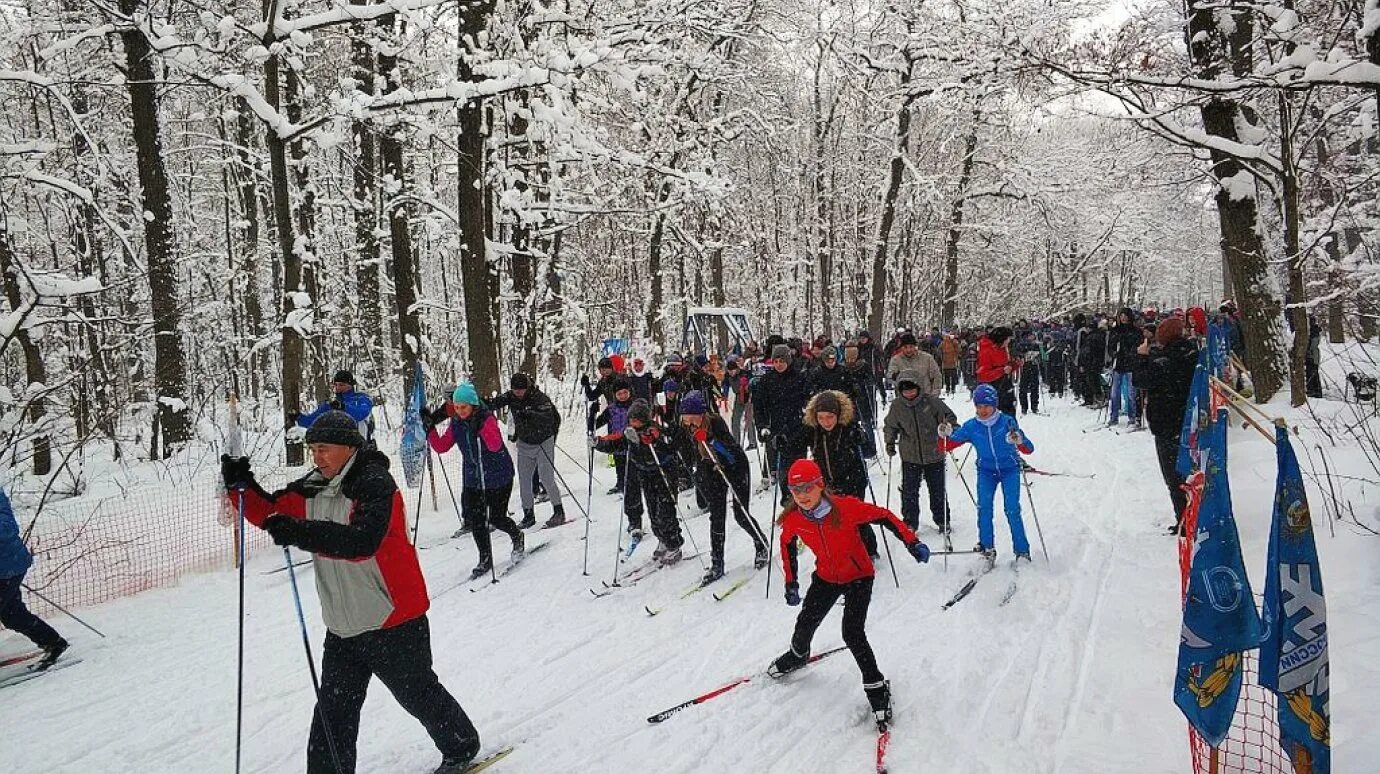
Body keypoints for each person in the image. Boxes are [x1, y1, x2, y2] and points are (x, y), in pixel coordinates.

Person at [223, 411, 481, 774]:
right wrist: (241, 485)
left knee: (417, 693)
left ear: (349, 447)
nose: (317, 456)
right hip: (343, 626)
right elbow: (272, 511)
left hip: (392, 618)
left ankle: (462, 746)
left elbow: (362, 542)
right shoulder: (314, 486)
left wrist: (299, 532)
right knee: (333, 711)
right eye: (313, 449)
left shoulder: (375, 484)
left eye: (324, 449)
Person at [768, 458, 930, 726]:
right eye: (796, 491)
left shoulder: (845, 508)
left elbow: (884, 516)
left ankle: (876, 686)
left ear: (820, 485)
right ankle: (798, 655)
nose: (803, 496)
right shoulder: (794, 519)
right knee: (805, 622)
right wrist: (791, 582)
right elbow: (786, 547)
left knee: (852, 632)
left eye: (808, 488)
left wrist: (912, 542)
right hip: (826, 577)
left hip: (858, 576)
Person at [426, 384, 524, 579]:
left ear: (473, 405)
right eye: (456, 407)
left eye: (464, 407)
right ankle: (485, 558)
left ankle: (517, 536)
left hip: (498, 476)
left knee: (497, 518)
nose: (460, 411)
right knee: (477, 521)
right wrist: (429, 429)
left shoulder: (486, 418)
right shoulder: (456, 422)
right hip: (474, 479)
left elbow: (495, 446)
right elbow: (442, 446)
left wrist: (481, 427)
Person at [678, 390, 770, 582]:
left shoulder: (715, 422)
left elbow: (731, 452)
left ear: (701, 413)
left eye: (691, 418)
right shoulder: (685, 427)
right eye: (685, 418)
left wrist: (711, 440)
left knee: (740, 514)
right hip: (712, 470)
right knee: (717, 516)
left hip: (735, 468)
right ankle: (717, 563)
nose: (689, 423)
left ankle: (761, 544)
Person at [939, 384, 1036, 562]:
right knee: (984, 508)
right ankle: (987, 547)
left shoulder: (1006, 421)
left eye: (987, 406)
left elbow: (1028, 449)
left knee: (1012, 509)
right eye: (979, 406)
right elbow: (947, 446)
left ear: (995, 405)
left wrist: (1019, 440)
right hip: (986, 471)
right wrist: (944, 435)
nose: (983, 410)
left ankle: (1022, 550)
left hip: (1010, 470)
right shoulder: (971, 426)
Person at [596, 399, 685, 565]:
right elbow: (616, 443)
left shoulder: (655, 430)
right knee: (653, 510)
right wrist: (599, 443)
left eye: (636, 419)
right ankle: (662, 539)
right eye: (631, 420)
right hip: (646, 474)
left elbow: (671, 448)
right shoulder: (630, 433)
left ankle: (674, 544)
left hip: (663, 472)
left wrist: (654, 441)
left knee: (665, 509)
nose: (633, 423)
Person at [1133, 318, 1199, 534]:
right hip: (1186, 420)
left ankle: (1185, 521)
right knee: (1187, 474)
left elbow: (1141, 380)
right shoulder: (1190, 352)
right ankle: (1189, 518)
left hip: (1168, 422)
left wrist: (1142, 358)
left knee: (1174, 477)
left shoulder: (1167, 360)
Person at [802, 389, 877, 557]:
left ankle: (869, 549)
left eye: (830, 417)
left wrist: (861, 439)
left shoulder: (849, 427)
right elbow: (795, 443)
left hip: (853, 480)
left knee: (856, 518)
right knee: (833, 519)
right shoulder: (813, 430)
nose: (826, 422)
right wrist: (783, 441)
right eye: (821, 417)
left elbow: (870, 451)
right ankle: (844, 550)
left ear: (837, 414)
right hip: (828, 483)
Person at [0, 488, 68, 670]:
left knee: (11, 613)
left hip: (8, 567)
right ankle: (53, 642)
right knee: (13, 615)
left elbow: (8, 527)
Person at [882, 370, 958, 532]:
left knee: (937, 489)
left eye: (912, 389)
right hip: (910, 456)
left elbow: (950, 417)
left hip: (934, 454)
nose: (909, 393)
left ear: (919, 388)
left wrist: (947, 427)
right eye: (905, 390)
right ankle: (910, 522)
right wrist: (889, 442)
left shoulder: (931, 402)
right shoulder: (897, 406)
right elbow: (890, 425)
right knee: (909, 491)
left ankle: (942, 519)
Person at [488, 373, 566, 529]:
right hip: (524, 443)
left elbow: (550, 417)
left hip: (543, 441)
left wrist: (531, 414)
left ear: (527, 387)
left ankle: (559, 511)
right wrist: (478, 405)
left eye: (521, 390)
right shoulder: (511, 396)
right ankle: (528, 514)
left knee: (546, 477)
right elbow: (494, 404)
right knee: (524, 480)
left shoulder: (539, 398)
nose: (518, 393)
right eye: (515, 390)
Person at [752, 344, 812, 506]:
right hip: (777, 435)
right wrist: (762, 427)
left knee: (800, 476)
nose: (779, 364)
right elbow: (759, 407)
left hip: (797, 432)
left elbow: (808, 403)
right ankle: (789, 509)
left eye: (782, 361)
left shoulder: (799, 378)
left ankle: (803, 509)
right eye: (776, 361)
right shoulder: (767, 381)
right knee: (785, 478)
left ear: (789, 360)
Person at [292, 370, 375, 441]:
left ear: (350, 385)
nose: (338, 388)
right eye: (336, 385)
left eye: (342, 385)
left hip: (361, 448)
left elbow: (361, 413)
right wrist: (298, 417)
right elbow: (313, 422)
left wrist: (343, 407)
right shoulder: (331, 405)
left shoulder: (361, 398)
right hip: (338, 450)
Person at [591, 377, 635, 495]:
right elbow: (597, 423)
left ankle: (633, 484)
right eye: (619, 394)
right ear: (615, 395)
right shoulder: (611, 409)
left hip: (631, 439)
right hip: (616, 439)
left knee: (631, 464)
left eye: (625, 393)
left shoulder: (635, 406)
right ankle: (620, 484)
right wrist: (592, 414)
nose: (623, 396)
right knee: (619, 463)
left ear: (629, 392)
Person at [1106, 308, 1143, 428]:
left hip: (1131, 364)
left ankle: (1133, 417)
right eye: (1121, 316)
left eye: (1125, 316)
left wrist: (1131, 352)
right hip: (1118, 364)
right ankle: (1113, 417)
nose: (1123, 318)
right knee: (1114, 393)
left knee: (1131, 393)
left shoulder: (1136, 331)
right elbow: (1110, 346)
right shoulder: (1115, 330)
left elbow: (1138, 345)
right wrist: (1113, 353)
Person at [975, 327, 1019, 417]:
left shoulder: (1004, 349)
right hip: (993, 389)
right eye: (1007, 339)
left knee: (1009, 414)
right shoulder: (986, 351)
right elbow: (983, 375)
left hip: (1006, 387)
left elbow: (1006, 366)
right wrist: (1002, 370)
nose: (1008, 342)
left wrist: (1015, 364)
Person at [1014, 331, 1042, 415]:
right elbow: (1017, 354)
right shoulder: (1021, 344)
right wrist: (1023, 356)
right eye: (1031, 336)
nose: (1032, 337)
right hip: (1024, 367)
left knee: (1034, 386)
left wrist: (1037, 358)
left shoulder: (1035, 345)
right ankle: (1024, 407)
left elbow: (1039, 355)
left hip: (1033, 366)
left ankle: (1034, 406)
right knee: (1023, 387)